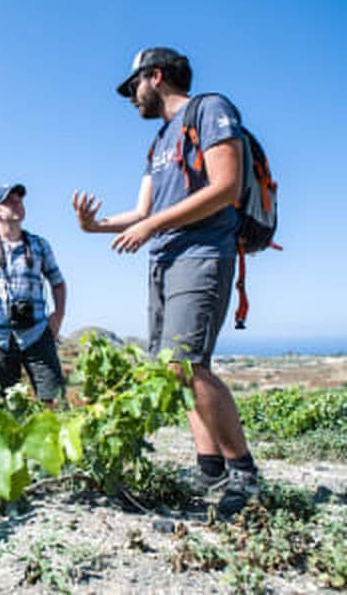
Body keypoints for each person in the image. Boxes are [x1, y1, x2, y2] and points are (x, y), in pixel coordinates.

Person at [72, 47, 259, 516]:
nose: (130, 97)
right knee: (173, 370)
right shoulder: (158, 142)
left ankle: (245, 476)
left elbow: (226, 186)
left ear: (156, 77)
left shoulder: (211, 109)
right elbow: (142, 212)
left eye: (132, 86)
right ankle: (210, 468)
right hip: (163, 260)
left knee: (187, 363)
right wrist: (95, 227)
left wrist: (152, 227)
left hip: (201, 254)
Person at [0, 183, 66, 406]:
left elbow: (58, 283)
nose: (17, 204)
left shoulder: (39, 245)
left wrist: (57, 318)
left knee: (53, 400)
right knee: (2, 407)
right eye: (9, 201)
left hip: (37, 333)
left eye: (19, 200)